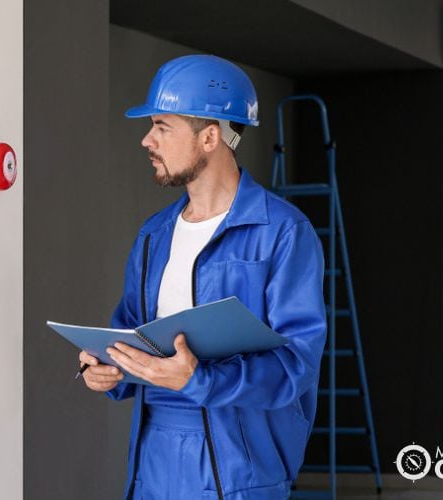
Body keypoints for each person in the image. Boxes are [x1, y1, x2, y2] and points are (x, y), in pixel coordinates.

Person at [78, 54, 326, 500]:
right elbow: (130, 331)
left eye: (161, 126)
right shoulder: (154, 235)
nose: (146, 140)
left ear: (210, 136)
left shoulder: (283, 232)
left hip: (239, 469)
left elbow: (297, 365)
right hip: (153, 462)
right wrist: (105, 366)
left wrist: (201, 381)